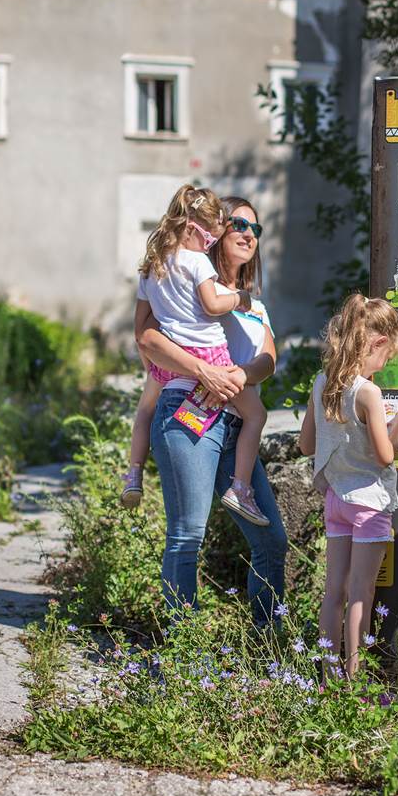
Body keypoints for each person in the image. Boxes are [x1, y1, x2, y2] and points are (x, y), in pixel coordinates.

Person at [135, 195, 287, 628]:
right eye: (238, 223)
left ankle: (269, 645)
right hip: (189, 412)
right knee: (186, 536)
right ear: (215, 231)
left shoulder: (253, 303)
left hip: (237, 424)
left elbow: (269, 361)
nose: (247, 233)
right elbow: (146, 340)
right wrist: (206, 371)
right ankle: (185, 656)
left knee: (272, 542)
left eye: (255, 229)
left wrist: (238, 375)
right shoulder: (179, 277)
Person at [123, 185, 269, 526]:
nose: (211, 244)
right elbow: (212, 304)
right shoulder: (197, 262)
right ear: (191, 228)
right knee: (257, 415)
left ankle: (133, 473)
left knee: (144, 410)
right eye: (209, 237)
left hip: (172, 362)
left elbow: (140, 330)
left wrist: (153, 360)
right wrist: (241, 300)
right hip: (209, 355)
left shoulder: (152, 267)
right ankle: (241, 488)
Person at [297, 295, 398, 678]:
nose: (386, 365)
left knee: (334, 592)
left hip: (336, 499)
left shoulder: (322, 382)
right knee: (362, 595)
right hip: (369, 502)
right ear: (377, 343)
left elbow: (306, 445)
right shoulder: (369, 393)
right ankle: (356, 681)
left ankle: (329, 677)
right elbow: (385, 455)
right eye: (387, 356)